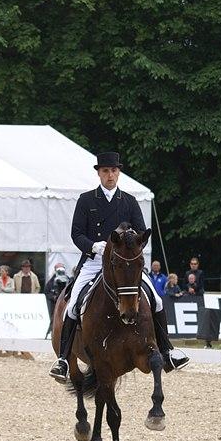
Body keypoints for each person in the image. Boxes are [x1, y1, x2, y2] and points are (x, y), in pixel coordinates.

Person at [49, 150, 188, 380]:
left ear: (118, 172)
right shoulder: (86, 200)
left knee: (157, 300)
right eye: (105, 171)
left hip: (125, 264)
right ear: (99, 174)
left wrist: (129, 242)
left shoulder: (130, 202)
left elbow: (143, 234)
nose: (110, 175)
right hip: (95, 262)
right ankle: (64, 359)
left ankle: (167, 350)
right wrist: (94, 246)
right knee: (73, 305)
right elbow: (76, 234)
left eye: (113, 171)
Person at [45, 262, 69, 329]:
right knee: (54, 317)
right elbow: (47, 291)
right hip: (54, 303)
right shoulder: (52, 281)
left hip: (65, 301)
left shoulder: (68, 279)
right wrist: (53, 297)